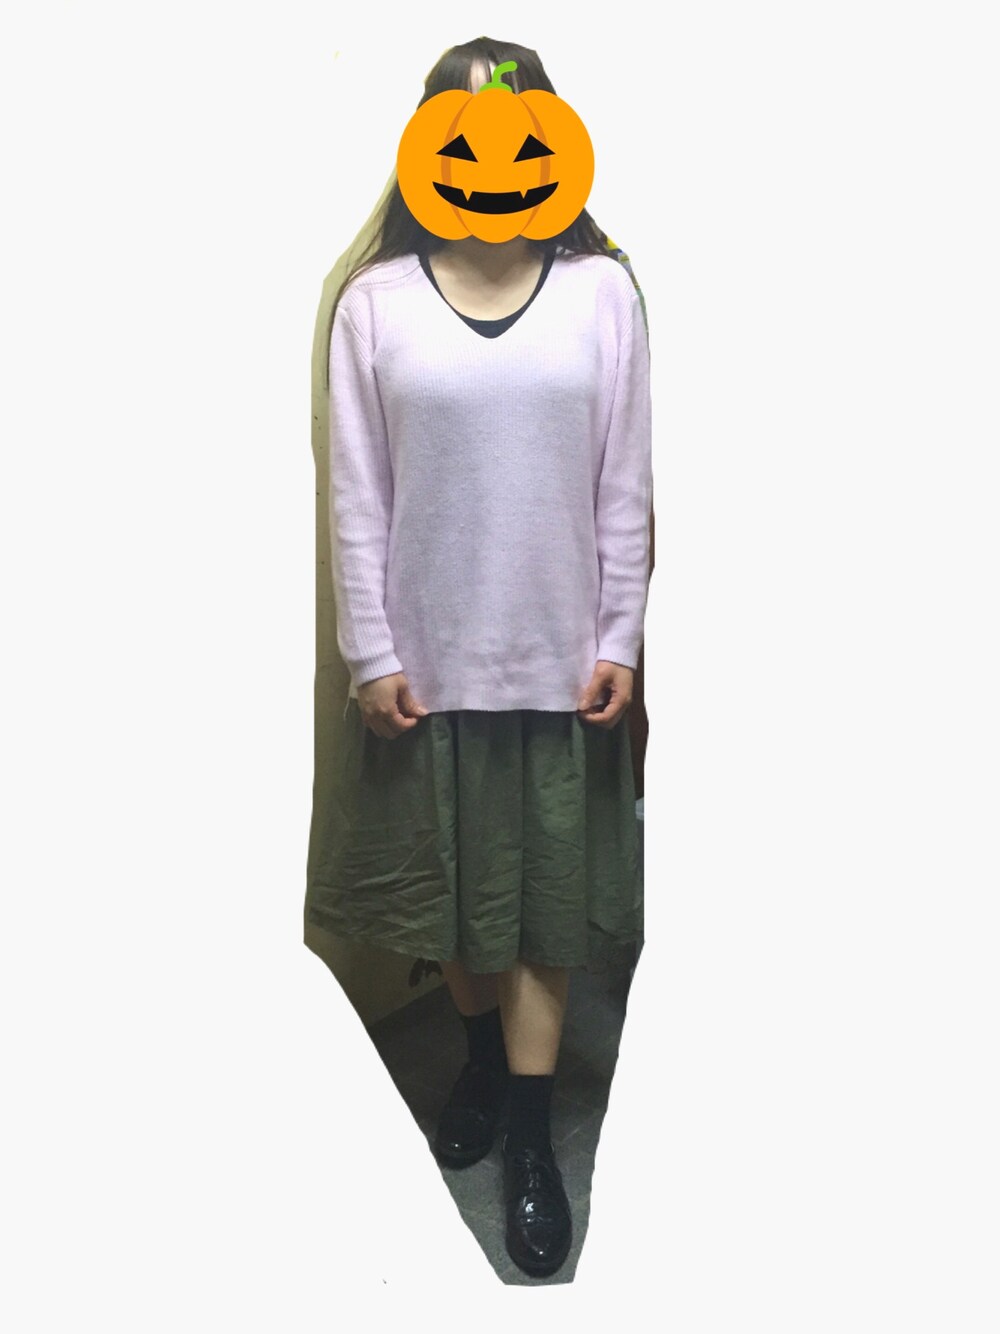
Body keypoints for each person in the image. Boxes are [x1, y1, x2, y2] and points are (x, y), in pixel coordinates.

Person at [305, 36, 653, 1280]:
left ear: (557, 144)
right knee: (448, 899)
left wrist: (619, 637)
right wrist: (369, 652)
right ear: (423, 147)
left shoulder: (605, 296)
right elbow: (359, 496)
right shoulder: (374, 305)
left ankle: (530, 1134)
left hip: (559, 667)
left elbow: (623, 480)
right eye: (463, 134)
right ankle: (475, 1061)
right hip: (425, 668)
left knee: (545, 909)